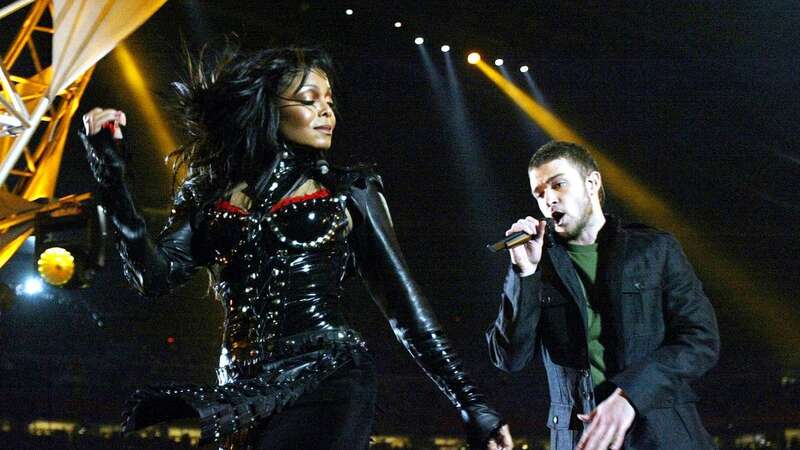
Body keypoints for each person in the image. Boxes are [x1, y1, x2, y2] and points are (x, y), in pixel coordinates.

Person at [81, 45, 512, 450]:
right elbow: (152, 278)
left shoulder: (350, 193)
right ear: (268, 109)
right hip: (241, 389)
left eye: (329, 100)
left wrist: (471, 404)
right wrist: (112, 176)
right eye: (310, 99)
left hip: (328, 378)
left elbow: (407, 311)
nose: (327, 110)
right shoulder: (207, 194)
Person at [486, 141, 719, 450]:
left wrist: (631, 394)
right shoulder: (537, 266)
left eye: (559, 184)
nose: (549, 199)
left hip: (663, 436)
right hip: (578, 439)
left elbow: (700, 339)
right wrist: (525, 274)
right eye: (539, 193)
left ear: (592, 183)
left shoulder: (653, 249)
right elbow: (509, 358)